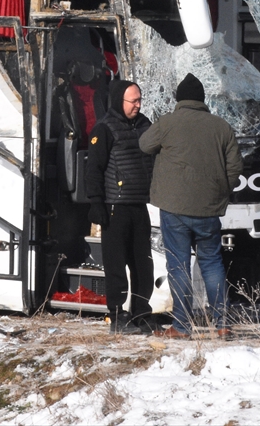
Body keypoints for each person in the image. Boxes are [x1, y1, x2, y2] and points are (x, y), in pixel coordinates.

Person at [139, 73, 242, 339]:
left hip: (174, 208)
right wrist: (221, 191)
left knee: (179, 266)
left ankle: (183, 327)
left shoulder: (168, 123)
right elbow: (235, 167)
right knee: (212, 264)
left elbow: (144, 144)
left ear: (178, 99)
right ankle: (222, 324)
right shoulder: (221, 126)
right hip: (209, 209)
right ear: (202, 99)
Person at [84, 80, 155, 334]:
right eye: (132, 101)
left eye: (139, 100)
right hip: (115, 206)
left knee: (143, 263)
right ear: (119, 101)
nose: (137, 105)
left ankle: (141, 312)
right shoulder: (104, 129)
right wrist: (96, 202)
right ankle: (116, 314)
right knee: (116, 264)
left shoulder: (145, 124)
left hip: (139, 204)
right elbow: (94, 169)